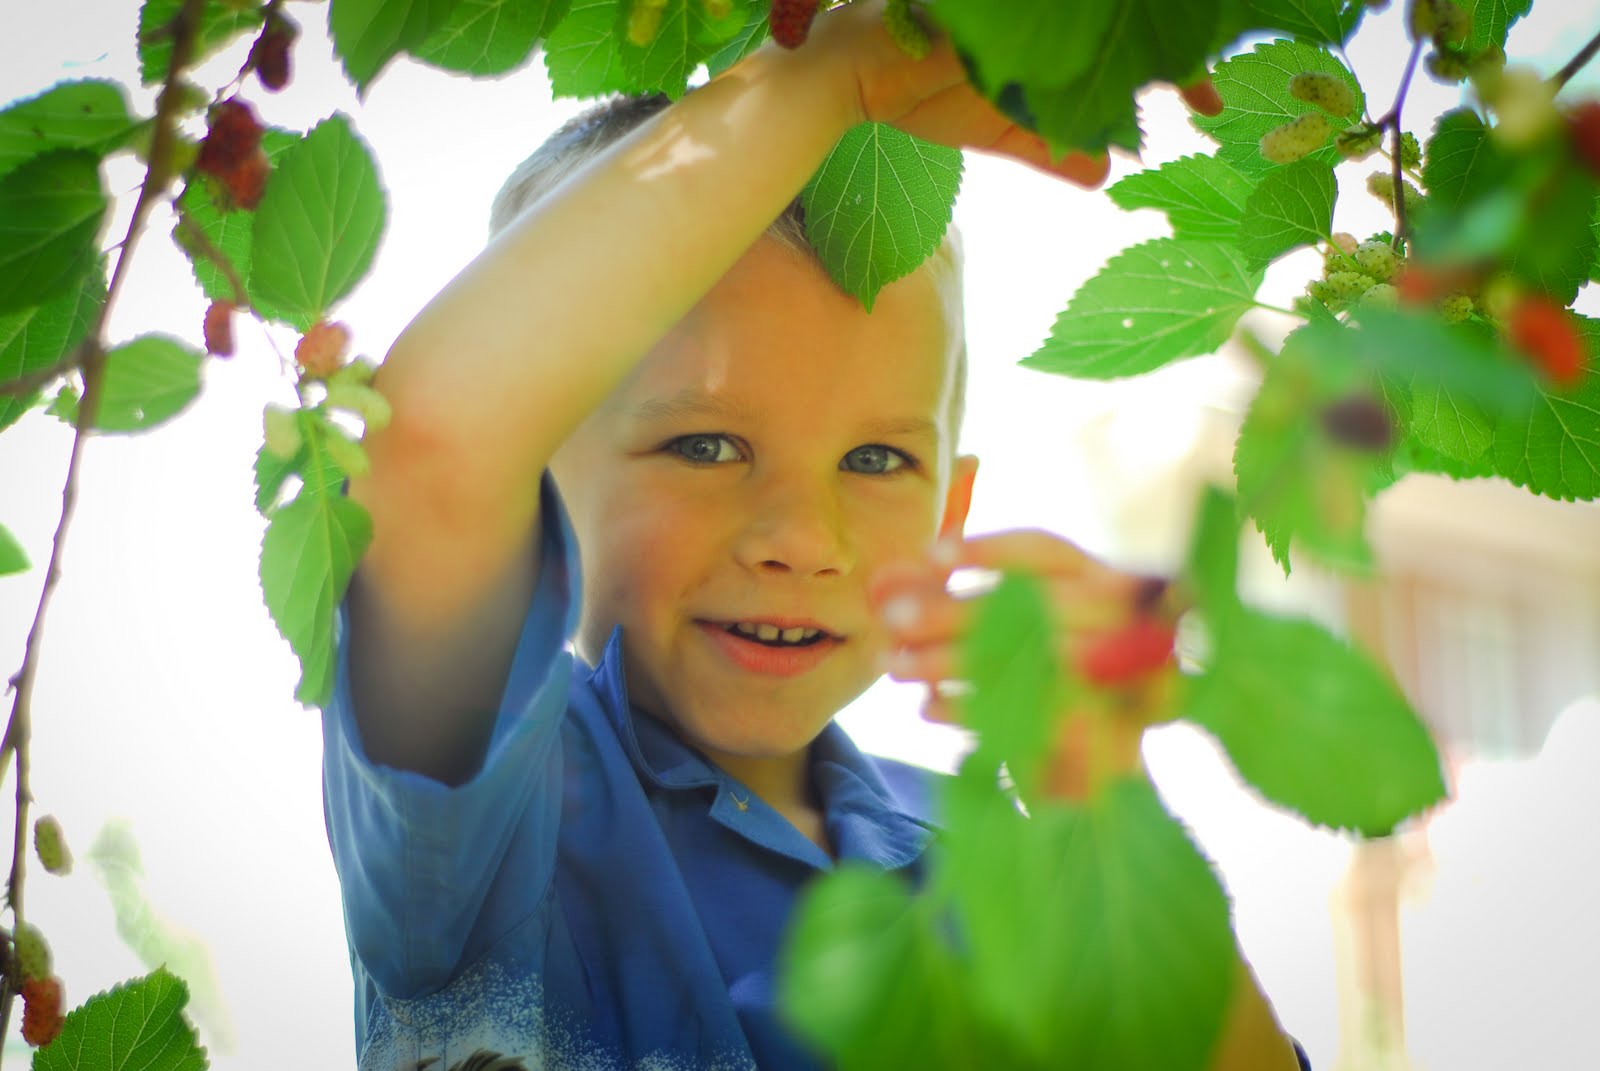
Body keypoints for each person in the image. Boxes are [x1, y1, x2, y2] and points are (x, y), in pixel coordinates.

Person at [319, 2, 1308, 1068]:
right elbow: (431, 455)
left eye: (878, 461)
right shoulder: (495, 830)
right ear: (537, 490)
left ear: (949, 515)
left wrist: (1102, 802)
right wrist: (824, 82)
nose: (801, 538)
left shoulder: (994, 862)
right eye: (703, 446)